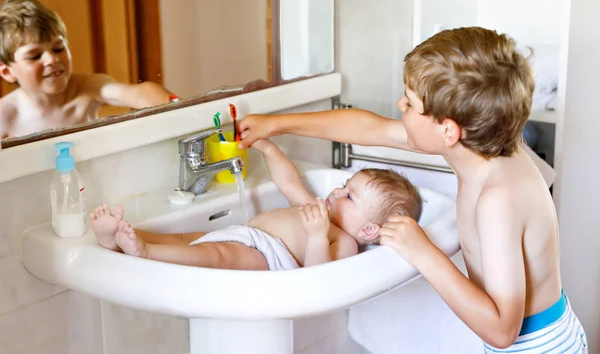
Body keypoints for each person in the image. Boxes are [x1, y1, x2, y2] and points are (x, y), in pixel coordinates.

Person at [237, 28, 588, 351]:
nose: (400, 107)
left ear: (448, 131)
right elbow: (367, 128)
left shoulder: (498, 199)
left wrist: (422, 251)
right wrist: (277, 124)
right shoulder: (487, 146)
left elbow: (501, 331)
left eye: (409, 103)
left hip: (536, 347)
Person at [91, 138, 422, 271]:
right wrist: (268, 148)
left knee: (216, 256)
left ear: (367, 228)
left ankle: (144, 253)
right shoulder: (318, 209)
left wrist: (318, 236)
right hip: (244, 234)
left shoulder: (343, 240)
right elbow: (288, 182)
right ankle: (119, 241)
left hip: (267, 257)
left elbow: (318, 277)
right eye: (343, 186)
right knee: (185, 240)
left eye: (350, 196)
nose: (337, 192)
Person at [0, 0, 178, 139]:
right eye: (34, 56)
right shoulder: (5, 115)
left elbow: (138, 93)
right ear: (7, 72)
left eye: (58, 48)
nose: (52, 59)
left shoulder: (88, 87)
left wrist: (182, 110)